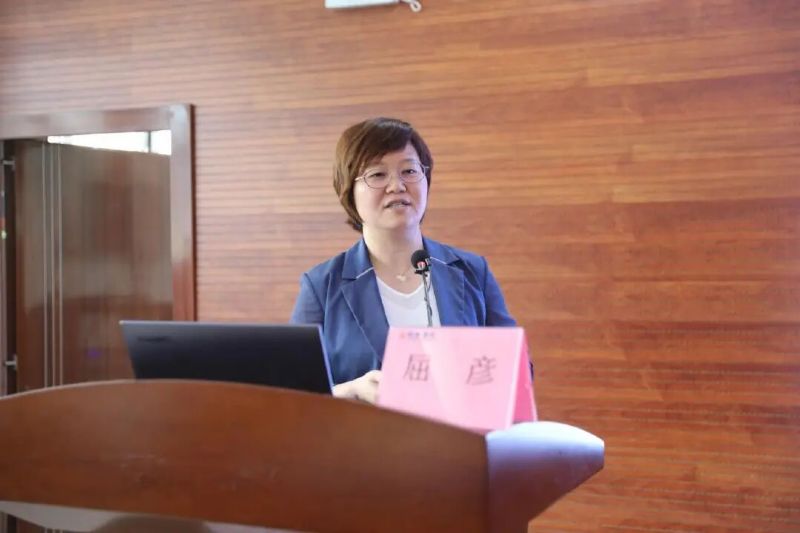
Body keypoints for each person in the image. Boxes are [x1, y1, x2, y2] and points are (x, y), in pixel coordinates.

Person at [290, 117, 515, 404]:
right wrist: (350, 391)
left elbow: (518, 370)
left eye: (409, 171)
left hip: (458, 432)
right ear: (348, 190)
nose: (397, 185)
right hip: (365, 432)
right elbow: (291, 392)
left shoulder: (471, 271)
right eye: (377, 175)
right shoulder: (322, 286)